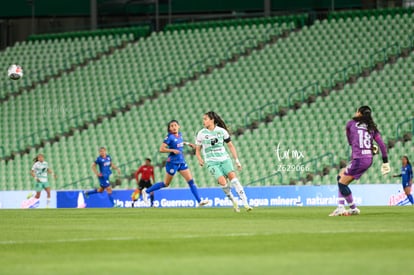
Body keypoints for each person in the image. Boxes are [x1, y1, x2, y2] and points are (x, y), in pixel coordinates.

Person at [330, 106, 390, 216]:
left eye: (357, 111)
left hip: (359, 159)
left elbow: (350, 140)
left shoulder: (351, 123)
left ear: (359, 113)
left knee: (341, 183)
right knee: (341, 175)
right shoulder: (372, 127)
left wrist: (355, 144)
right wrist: (385, 161)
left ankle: (350, 208)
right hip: (368, 159)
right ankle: (344, 207)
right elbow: (381, 144)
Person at [142, 120, 208, 207]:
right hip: (172, 163)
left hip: (181, 162)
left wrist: (188, 144)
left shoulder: (179, 135)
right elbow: (161, 149)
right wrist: (172, 150)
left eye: (175, 125)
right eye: (171, 126)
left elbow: (179, 143)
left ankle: (200, 201)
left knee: (191, 181)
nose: (174, 127)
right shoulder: (169, 137)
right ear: (169, 128)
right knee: (166, 184)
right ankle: (146, 191)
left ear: (178, 126)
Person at [195, 111, 252, 212]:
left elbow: (230, 146)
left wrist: (237, 161)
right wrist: (199, 159)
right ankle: (233, 201)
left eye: (205, 119)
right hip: (211, 162)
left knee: (234, 180)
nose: (203, 121)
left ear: (212, 120)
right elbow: (197, 150)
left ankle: (246, 203)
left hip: (224, 159)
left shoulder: (221, 131)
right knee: (223, 182)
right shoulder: (201, 133)